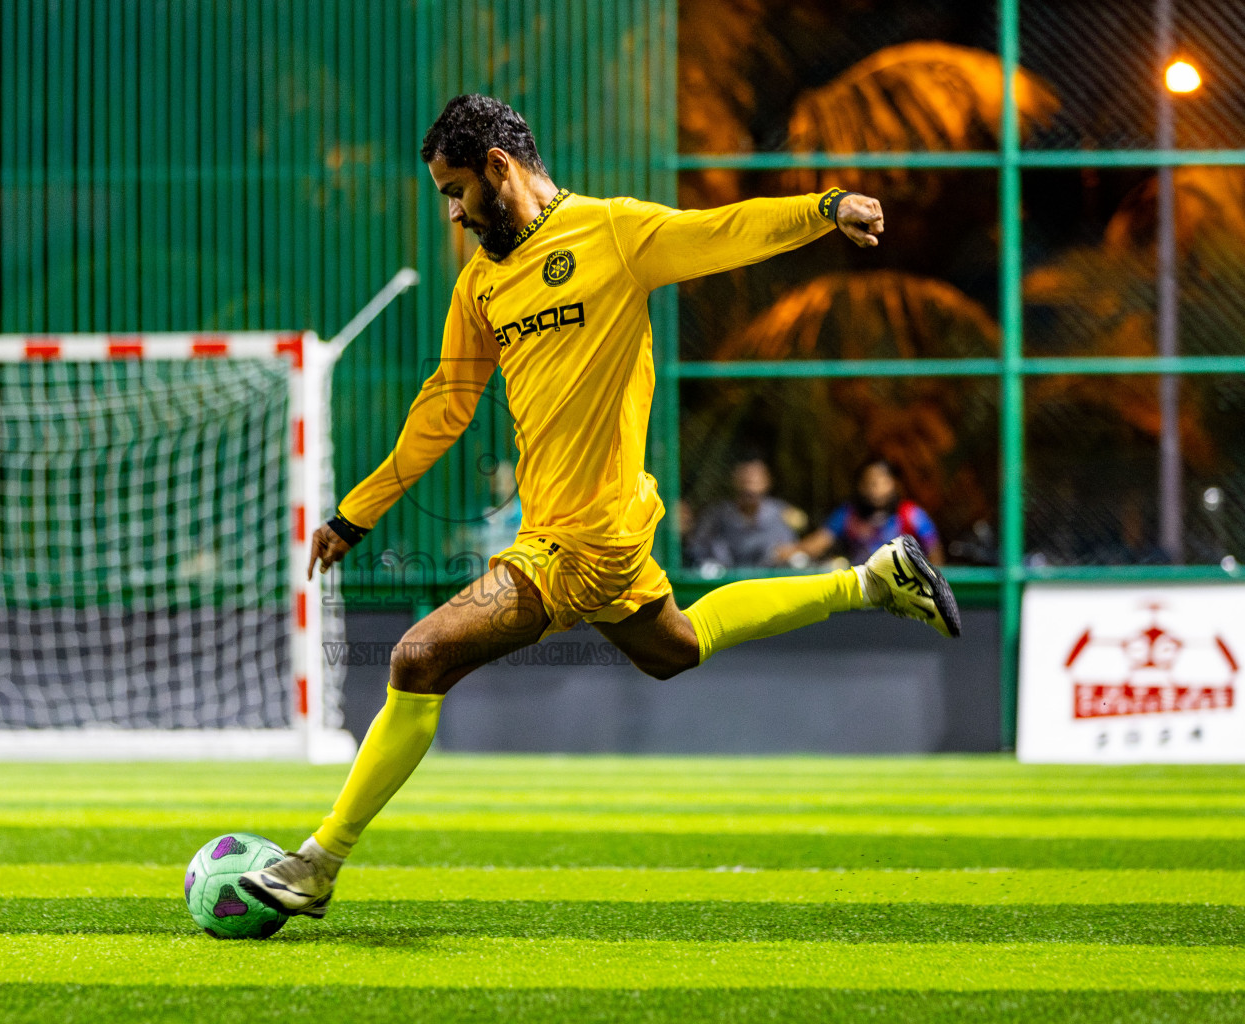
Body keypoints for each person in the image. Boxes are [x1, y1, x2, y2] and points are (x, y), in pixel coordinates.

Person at [240, 94, 960, 918]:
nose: (451, 212)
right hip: (572, 530)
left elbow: (724, 231)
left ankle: (317, 863)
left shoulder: (614, 233)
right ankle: (871, 582)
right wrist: (354, 514)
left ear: (499, 169)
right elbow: (447, 401)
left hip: (585, 538)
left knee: (415, 659)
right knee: (675, 646)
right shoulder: (481, 284)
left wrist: (825, 208)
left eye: (456, 190)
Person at [780, 457, 943, 566]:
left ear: (894, 484)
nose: (876, 489)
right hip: (863, 591)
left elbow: (934, 552)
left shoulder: (911, 515)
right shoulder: (848, 514)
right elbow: (819, 542)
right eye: (870, 482)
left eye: (882, 482)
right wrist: (790, 551)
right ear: (861, 486)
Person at [684, 456, 804, 568]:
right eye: (745, 480)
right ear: (734, 480)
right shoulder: (717, 514)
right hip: (726, 580)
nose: (750, 488)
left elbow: (790, 551)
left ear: (767, 481)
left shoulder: (782, 512)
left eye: (756, 481)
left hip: (767, 579)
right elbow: (696, 547)